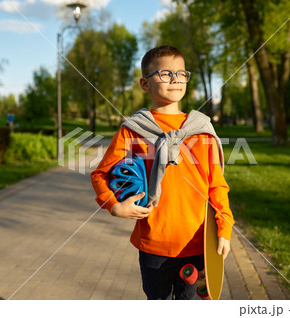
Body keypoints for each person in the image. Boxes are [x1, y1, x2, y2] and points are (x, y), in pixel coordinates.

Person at [91, 45, 234, 300]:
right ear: (145, 84)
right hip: (153, 244)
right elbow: (100, 174)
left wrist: (224, 228)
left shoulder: (201, 129)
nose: (176, 79)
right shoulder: (133, 131)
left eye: (181, 73)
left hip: (197, 243)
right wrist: (114, 205)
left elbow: (217, 186)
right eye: (165, 74)